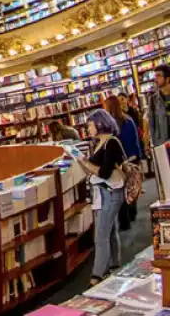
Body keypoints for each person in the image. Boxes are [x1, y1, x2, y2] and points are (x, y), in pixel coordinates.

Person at [77, 109, 125, 285]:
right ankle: (113, 265)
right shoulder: (100, 143)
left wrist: (84, 162)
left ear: (99, 124)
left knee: (101, 234)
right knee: (110, 230)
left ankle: (97, 274)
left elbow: (104, 173)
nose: (88, 129)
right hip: (104, 193)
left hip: (111, 192)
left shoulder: (111, 143)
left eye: (89, 125)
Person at [104, 95, 142, 230]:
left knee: (121, 189)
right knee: (132, 185)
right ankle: (132, 212)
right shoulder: (128, 119)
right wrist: (138, 156)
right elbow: (135, 139)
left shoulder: (109, 125)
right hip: (132, 157)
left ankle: (124, 221)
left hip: (121, 160)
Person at [147, 64, 170, 148]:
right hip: (163, 144)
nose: (155, 79)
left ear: (167, 79)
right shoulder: (153, 100)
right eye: (155, 76)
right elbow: (152, 125)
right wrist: (155, 146)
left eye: (159, 76)